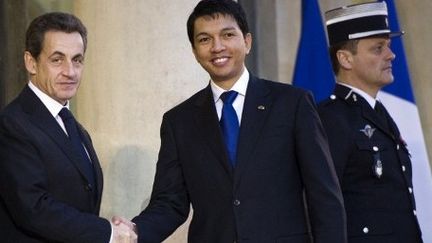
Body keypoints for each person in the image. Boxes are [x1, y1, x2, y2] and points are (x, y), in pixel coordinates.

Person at [114, 0, 346, 242]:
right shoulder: (178, 122)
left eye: (227, 35)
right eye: (204, 39)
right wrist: (134, 231)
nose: (217, 47)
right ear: (194, 51)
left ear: (247, 42)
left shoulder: (292, 104)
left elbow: (324, 196)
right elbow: (170, 203)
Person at [0, 12, 136, 243]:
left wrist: (103, 227)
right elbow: (34, 207)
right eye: (57, 59)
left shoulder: (75, 126)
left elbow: (77, 200)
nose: (70, 72)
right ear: (31, 62)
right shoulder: (12, 123)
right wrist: (107, 232)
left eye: (77, 59)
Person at [318, 1, 423, 242]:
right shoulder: (329, 119)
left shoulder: (380, 114)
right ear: (345, 59)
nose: (391, 54)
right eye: (378, 48)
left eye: (388, 45)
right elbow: (322, 208)